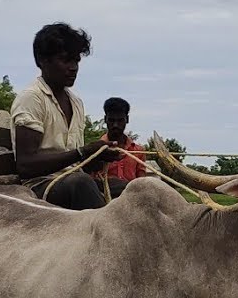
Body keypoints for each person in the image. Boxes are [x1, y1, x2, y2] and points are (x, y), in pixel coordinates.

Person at [10, 23, 120, 210]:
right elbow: (26, 166)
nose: (73, 68)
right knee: (81, 184)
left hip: (73, 180)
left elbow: (78, 164)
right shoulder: (31, 98)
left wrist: (98, 156)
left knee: (135, 188)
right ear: (42, 61)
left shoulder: (76, 102)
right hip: (39, 187)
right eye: (65, 60)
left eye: (76, 61)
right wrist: (83, 152)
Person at [95, 97, 148, 198]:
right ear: (105, 119)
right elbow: (92, 182)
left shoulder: (138, 151)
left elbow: (141, 182)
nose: (115, 125)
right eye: (111, 120)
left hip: (132, 200)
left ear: (127, 120)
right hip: (104, 200)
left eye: (120, 120)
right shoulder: (96, 149)